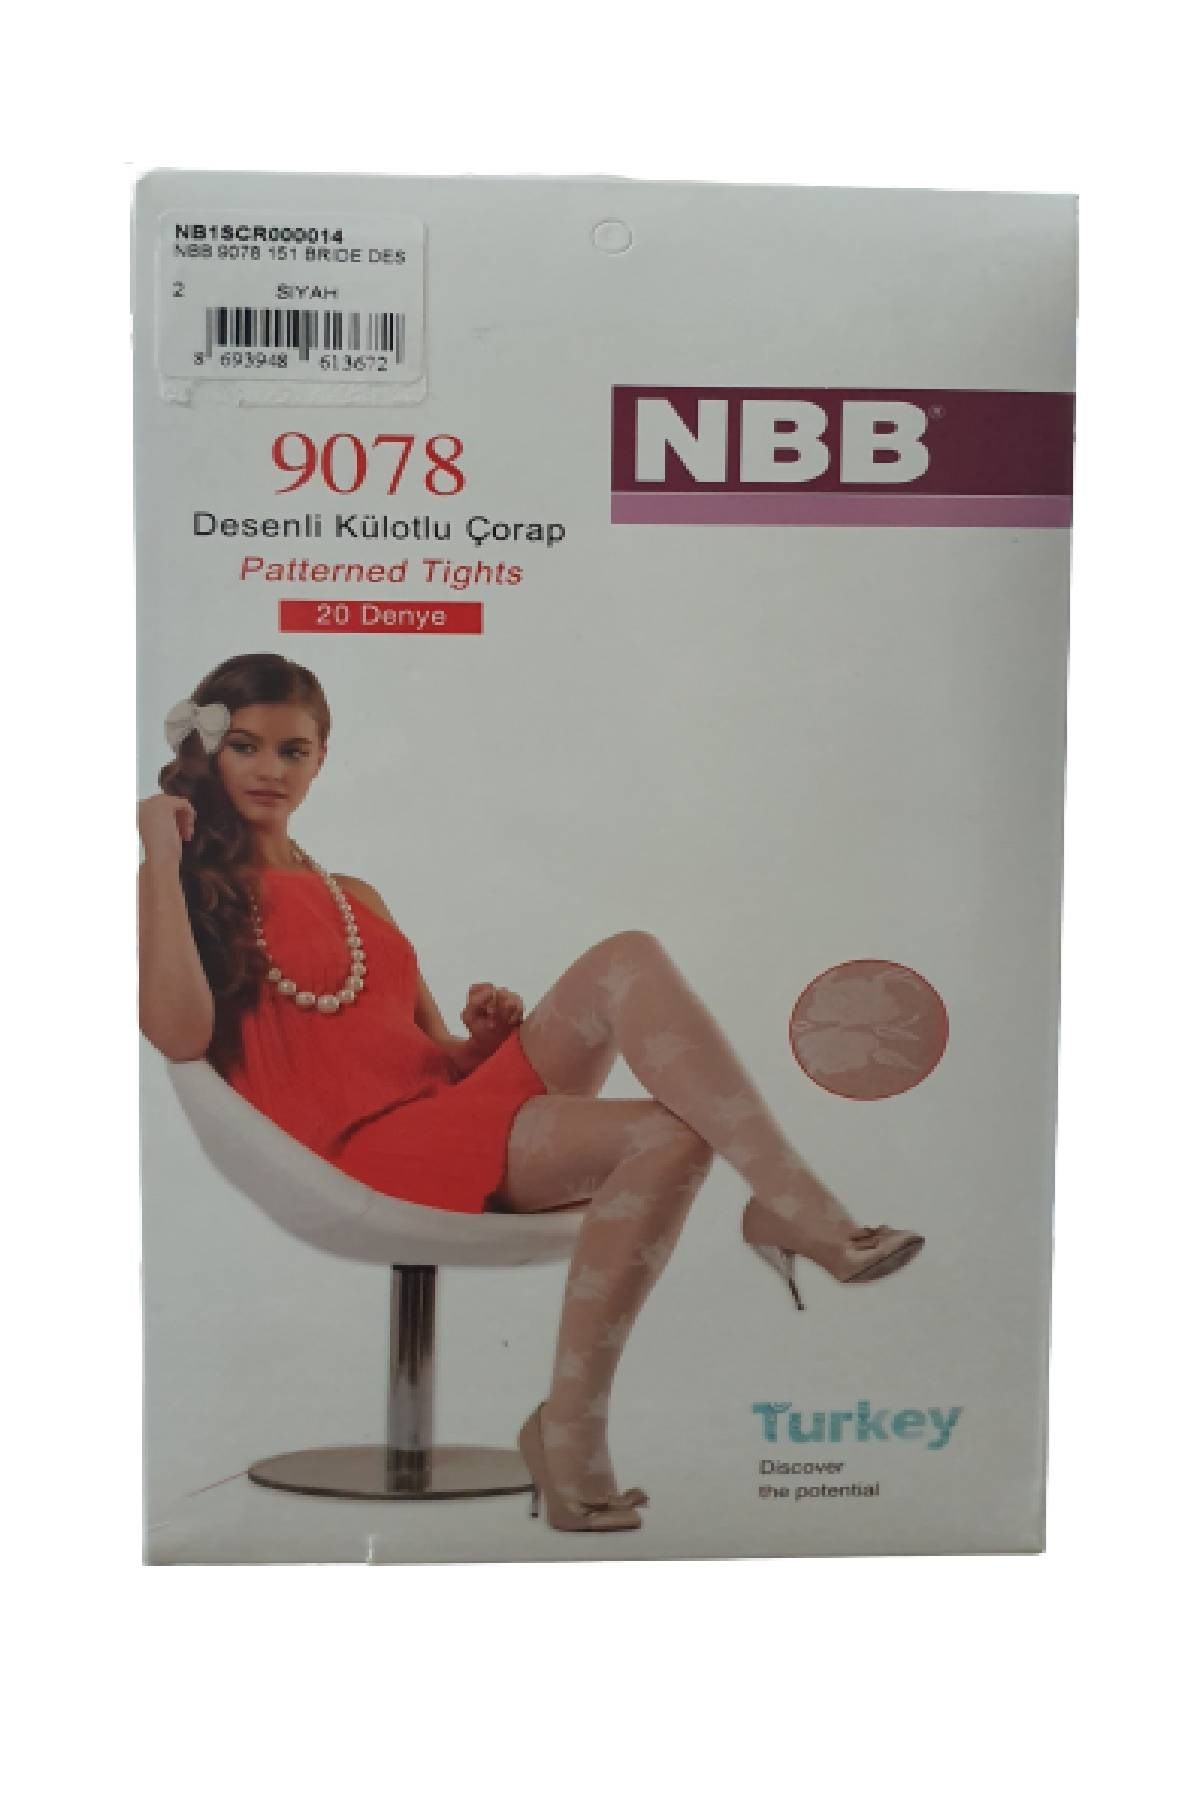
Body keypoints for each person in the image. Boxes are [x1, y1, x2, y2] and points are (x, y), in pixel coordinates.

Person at [138, 652, 924, 1535]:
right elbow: (176, 1036)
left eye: (294, 751)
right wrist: (160, 856)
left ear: (322, 760)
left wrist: (480, 1041)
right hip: (363, 1155)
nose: (270, 770)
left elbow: (422, 1051)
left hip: (443, 1116)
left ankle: (773, 1223)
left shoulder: (354, 895)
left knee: (628, 958)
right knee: (668, 1134)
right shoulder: (185, 892)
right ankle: (590, 1417)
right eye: (244, 746)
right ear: (207, 753)